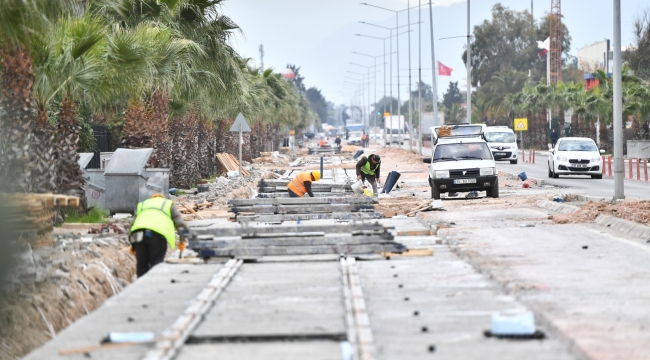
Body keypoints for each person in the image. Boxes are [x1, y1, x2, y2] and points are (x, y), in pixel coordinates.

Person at [130, 193, 186, 277]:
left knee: (141, 267)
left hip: (138, 235)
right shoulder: (167, 204)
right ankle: (154, 287)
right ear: (163, 198)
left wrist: (133, 244)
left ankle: (142, 287)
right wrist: (182, 241)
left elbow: (132, 225)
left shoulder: (142, 205)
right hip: (157, 235)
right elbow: (180, 225)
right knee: (156, 265)